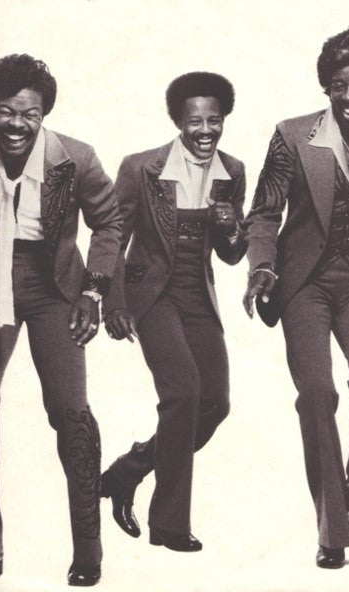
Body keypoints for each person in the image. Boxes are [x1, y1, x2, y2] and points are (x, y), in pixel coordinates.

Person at [0, 53, 121, 587]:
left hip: (56, 285)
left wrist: (93, 292)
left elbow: (109, 224)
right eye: (6, 111)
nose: (16, 124)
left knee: (71, 413)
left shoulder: (77, 158)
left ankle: (88, 551)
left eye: (30, 114)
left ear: (44, 115)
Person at [243, 28, 349, 569]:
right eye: (338, 85)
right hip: (304, 282)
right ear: (326, 85)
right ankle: (332, 526)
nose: (347, 96)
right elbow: (264, 211)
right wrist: (262, 266)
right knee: (317, 393)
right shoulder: (293, 136)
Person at [101, 72, 247, 552]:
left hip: (198, 296)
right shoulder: (142, 168)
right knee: (183, 393)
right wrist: (112, 301)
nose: (205, 131)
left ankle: (127, 472)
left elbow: (231, 255)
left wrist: (232, 228)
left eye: (214, 120)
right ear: (178, 122)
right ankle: (168, 524)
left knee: (215, 404)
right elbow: (113, 236)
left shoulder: (232, 171)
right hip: (151, 294)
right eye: (194, 122)